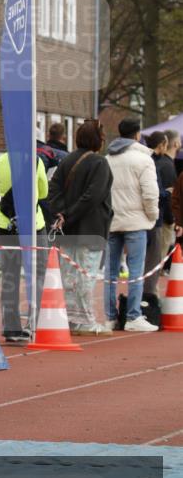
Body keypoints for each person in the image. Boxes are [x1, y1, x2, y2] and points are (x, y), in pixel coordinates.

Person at [48, 119, 113, 335]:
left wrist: (62, 213)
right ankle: (85, 319)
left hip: (67, 230)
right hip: (91, 229)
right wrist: (70, 213)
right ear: (98, 140)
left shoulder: (66, 161)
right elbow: (93, 196)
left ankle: (71, 318)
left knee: (69, 276)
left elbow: (53, 188)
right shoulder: (100, 163)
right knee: (86, 275)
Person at [104, 117, 159, 332]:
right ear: (138, 134)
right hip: (136, 222)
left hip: (112, 220)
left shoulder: (107, 158)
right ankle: (133, 316)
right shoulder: (143, 159)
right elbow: (150, 194)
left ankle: (110, 316)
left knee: (110, 272)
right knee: (136, 270)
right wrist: (152, 217)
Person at [0, 150, 49, 343]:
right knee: (38, 274)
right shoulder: (35, 160)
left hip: (5, 223)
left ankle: (11, 327)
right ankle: (35, 323)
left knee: (10, 276)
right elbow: (43, 191)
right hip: (32, 224)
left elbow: (0, 188)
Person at [143, 132, 169, 295]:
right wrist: (167, 192)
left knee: (141, 259)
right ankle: (150, 294)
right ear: (160, 145)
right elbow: (155, 193)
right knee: (153, 259)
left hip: (139, 218)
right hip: (154, 218)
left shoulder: (147, 160)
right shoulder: (157, 164)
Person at [160, 129, 181, 265]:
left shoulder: (161, 162)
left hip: (158, 218)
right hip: (164, 220)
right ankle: (152, 286)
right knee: (159, 257)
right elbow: (169, 197)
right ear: (176, 143)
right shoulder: (168, 166)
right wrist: (172, 220)